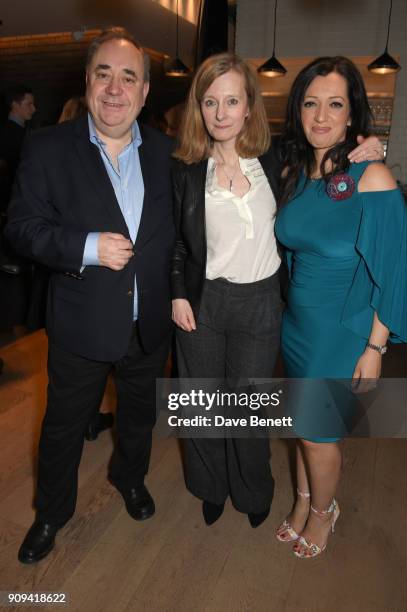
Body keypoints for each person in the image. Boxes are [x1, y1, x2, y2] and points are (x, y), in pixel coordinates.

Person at [171, 53, 381, 529]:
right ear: (198, 109)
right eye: (210, 101)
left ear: (249, 107)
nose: (221, 113)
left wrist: (373, 146)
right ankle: (210, 487)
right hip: (202, 302)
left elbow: (333, 153)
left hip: (263, 301)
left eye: (232, 100)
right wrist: (177, 292)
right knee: (203, 406)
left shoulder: (279, 158)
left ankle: (252, 490)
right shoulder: (184, 167)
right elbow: (176, 243)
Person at [6, 27, 174, 564]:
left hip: (147, 321)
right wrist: (85, 246)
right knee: (62, 427)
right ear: (88, 81)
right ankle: (52, 512)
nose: (115, 88)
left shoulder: (171, 155)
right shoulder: (48, 146)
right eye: (104, 73)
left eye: (129, 76)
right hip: (81, 321)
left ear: (145, 91)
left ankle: (130, 478)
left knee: (137, 416)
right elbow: (21, 228)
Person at [274, 56, 407, 558]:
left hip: (342, 331)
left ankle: (325, 513)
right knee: (303, 430)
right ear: (299, 110)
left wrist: (377, 346)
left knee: (316, 433)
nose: (321, 116)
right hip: (297, 324)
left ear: (352, 115)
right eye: (311, 103)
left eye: (335, 104)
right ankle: (306, 499)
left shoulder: (372, 176)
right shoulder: (294, 169)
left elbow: (394, 268)